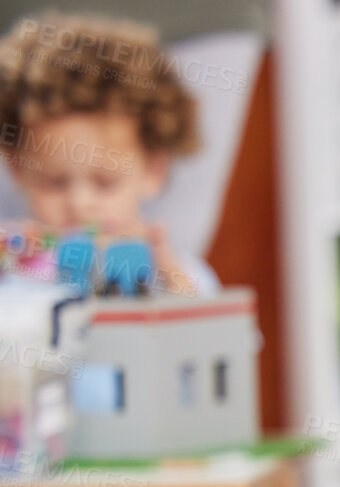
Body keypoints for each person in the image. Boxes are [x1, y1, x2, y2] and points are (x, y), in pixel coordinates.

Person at [0, 11, 219, 295]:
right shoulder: (16, 266)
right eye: (54, 183)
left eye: (105, 183)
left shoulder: (171, 270)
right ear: (17, 168)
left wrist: (170, 275)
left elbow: (207, 330)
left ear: (154, 170)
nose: (80, 204)